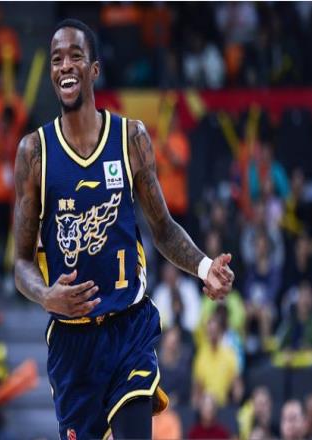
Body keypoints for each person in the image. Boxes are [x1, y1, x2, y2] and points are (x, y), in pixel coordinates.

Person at [13, 19, 234, 440]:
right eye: (57, 59)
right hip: (72, 343)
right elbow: (21, 262)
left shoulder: (130, 138)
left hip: (127, 327)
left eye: (75, 56)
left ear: (94, 69)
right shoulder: (34, 152)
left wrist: (205, 268)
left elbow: (163, 229)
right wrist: (45, 295)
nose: (65, 66)